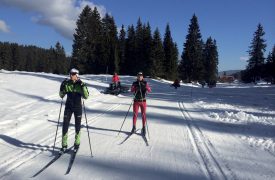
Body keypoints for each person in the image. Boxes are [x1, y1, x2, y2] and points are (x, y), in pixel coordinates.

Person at [59, 68, 89, 153]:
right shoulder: (67, 83)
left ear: (77, 75)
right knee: (65, 126)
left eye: (73, 74)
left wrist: (83, 86)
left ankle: (76, 144)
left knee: (77, 126)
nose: (71, 75)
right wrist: (62, 87)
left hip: (78, 107)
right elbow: (61, 95)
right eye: (70, 73)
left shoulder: (81, 84)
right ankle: (64, 145)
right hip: (68, 107)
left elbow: (86, 96)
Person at [130, 72, 151, 136]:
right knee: (135, 115)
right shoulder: (134, 83)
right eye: (138, 76)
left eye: (141, 76)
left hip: (143, 101)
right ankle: (134, 127)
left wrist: (145, 87)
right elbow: (131, 90)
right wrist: (135, 88)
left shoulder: (145, 83)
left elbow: (149, 90)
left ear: (142, 77)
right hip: (136, 101)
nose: (139, 77)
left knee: (143, 115)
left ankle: (144, 127)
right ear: (137, 77)